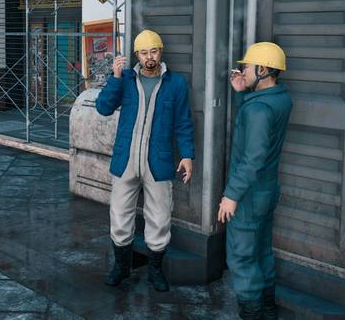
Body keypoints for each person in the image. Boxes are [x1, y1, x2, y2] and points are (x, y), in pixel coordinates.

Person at [95, 29, 195, 292]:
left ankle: (155, 270)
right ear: (136, 54)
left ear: (161, 51)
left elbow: (184, 122)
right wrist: (115, 77)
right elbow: (103, 108)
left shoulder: (176, 84)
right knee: (119, 213)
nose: (149, 57)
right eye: (143, 52)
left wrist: (187, 155)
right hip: (125, 159)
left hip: (159, 161)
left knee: (160, 216)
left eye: (153, 51)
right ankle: (121, 266)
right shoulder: (125, 79)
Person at [218, 42, 292, 320]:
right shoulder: (280, 99)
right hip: (268, 189)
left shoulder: (258, 110)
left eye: (247, 67)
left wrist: (231, 195)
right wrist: (241, 93)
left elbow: (252, 157)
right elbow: (259, 128)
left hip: (249, 194)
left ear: (262, 69)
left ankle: (252, 313)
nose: (243, 71)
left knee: (241, 256)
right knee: (262, 250)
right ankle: (268, 308)